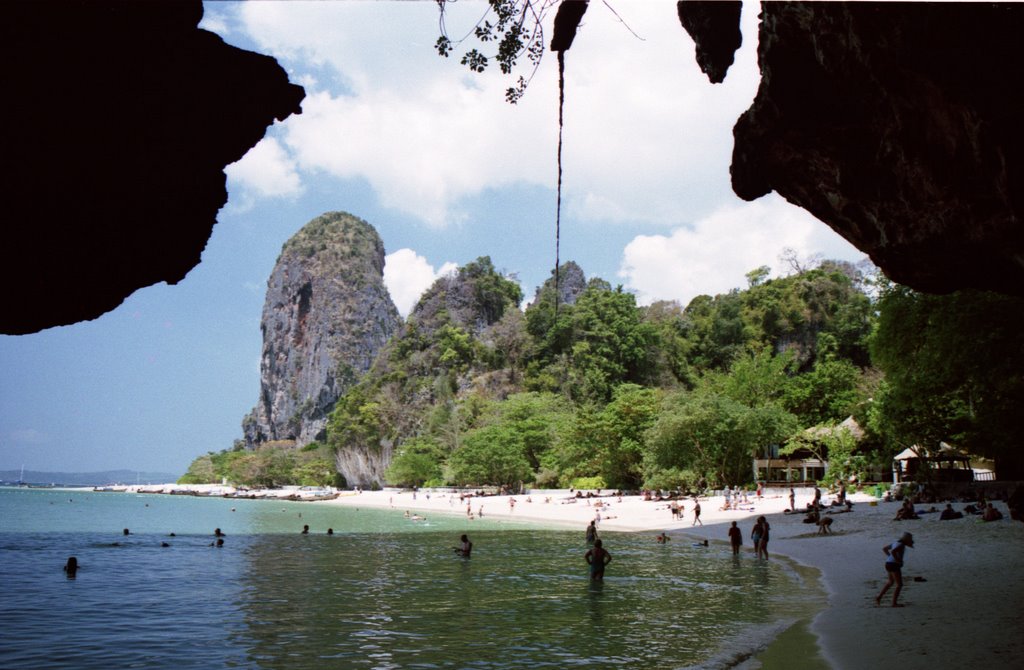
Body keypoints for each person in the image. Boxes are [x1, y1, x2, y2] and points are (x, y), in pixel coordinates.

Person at [875, 532, 914, 607]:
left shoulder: (895, 542)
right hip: (894, 565)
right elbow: (893, 551)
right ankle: (894, 603)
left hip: (888, 563)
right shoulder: (901, 545)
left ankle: (879, 597)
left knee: (890, 582)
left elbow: (884, 549)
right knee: (899, 584)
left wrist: (890, 557)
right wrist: (898, 560)